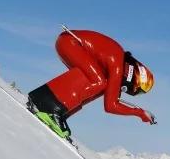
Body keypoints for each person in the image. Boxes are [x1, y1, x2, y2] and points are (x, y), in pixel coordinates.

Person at [27, 28, 156, 140]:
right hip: (70, 42)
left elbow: (111, 97)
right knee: (99, 82)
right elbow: (110, 106)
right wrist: (139, 113)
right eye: (137, 88)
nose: (132, 90)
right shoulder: (118, 67)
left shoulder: (118, 64)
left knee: (101, 84)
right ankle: (48, 107)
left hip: (69, 41)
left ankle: (58, 111)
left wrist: (140, 112)